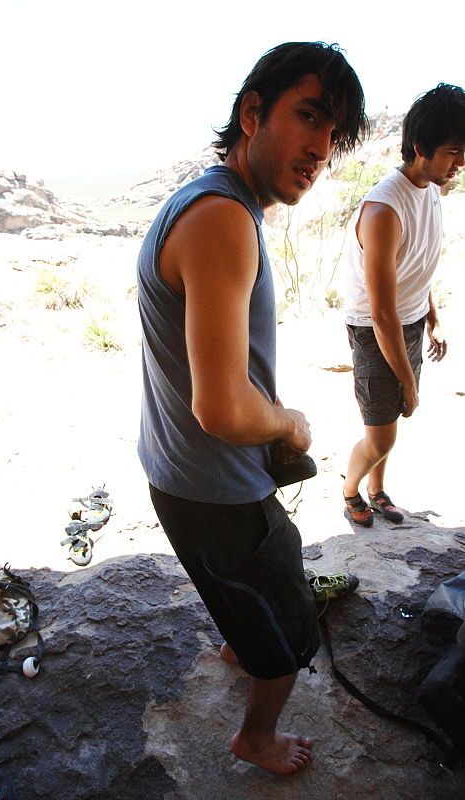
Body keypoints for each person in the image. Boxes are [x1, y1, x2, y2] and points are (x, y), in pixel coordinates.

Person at [137, 41, 368, 776]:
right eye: (307, 118)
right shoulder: (221, 219)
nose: (319, 150)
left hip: (178, 478)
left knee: (235, 591)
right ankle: (255, 737)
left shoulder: (204, 201)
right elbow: (223, 409)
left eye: (332, 136)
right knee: (292, 634)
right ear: (250, 113)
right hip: (219, 491)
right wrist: (288, 421)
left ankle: (242, 633)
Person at [342, 84, 465, 527]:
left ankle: (377, 492)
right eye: (454, 152)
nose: (461, 163)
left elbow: (418, 263)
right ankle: (350, 490)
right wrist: (409, 383)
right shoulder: (383, 210)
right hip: (376, 330)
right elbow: (381, 313)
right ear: (420, 148)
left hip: (410, 321)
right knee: (382, 434)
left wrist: (433, 318)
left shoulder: (431, 187)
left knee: (388, 428)